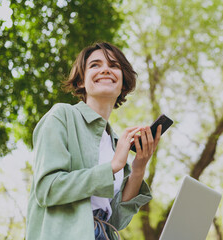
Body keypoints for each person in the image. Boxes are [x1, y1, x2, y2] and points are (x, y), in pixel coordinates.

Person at [26, 42, 161, 240]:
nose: (105, 69)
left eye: (114, 66)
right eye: (95, 65)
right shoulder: (61, 116)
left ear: (123, 83)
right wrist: (112, 167)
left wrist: (139, 167)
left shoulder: (116, 142)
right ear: (81, 81)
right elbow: (48, 188)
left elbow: (116, 221)